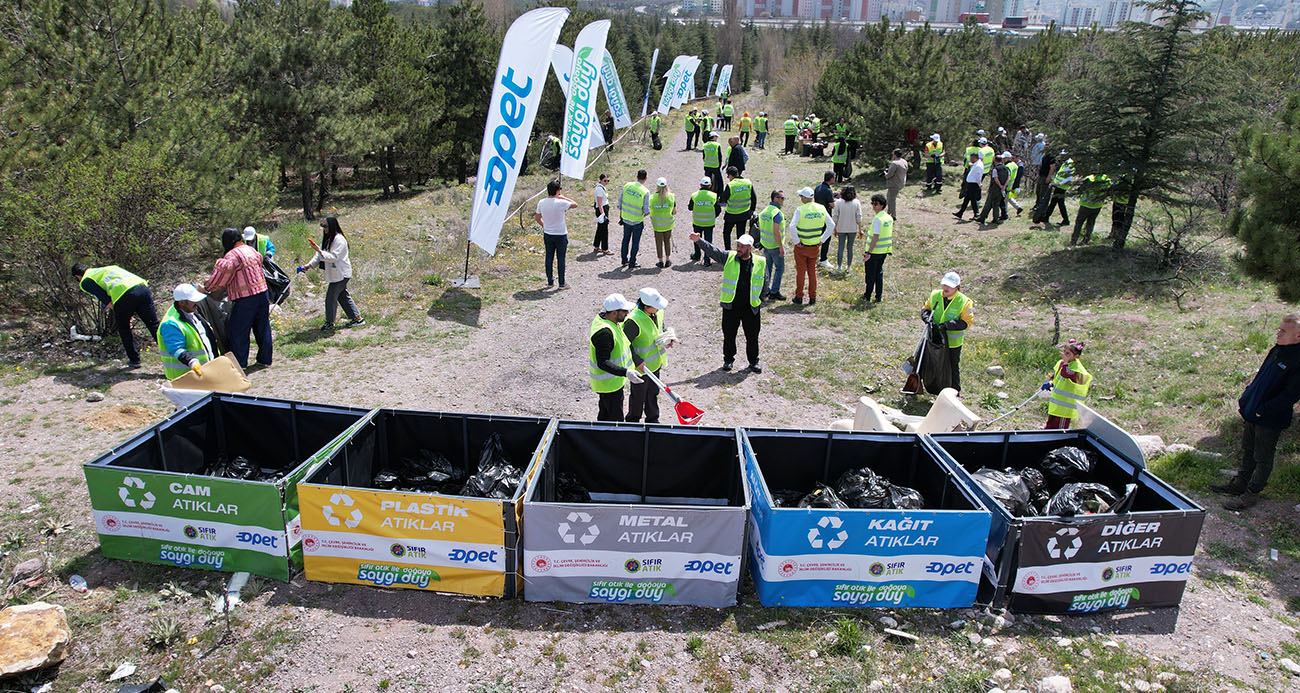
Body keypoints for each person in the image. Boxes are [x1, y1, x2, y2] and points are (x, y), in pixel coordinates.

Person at [1211, 315, 1300, 510]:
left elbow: (1290, 396)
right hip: (1254, 413)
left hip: (1270, 419)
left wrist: (1263, 411)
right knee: (1248, 450)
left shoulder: (1297, 361)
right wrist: (1247, 398)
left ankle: (1251, 494)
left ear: (1298, 337)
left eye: (1284, 331)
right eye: (1279, 329)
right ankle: (1239, 484)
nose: (1278, 333)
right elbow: (1261, 377)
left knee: (1263, 457)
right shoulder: (1277, 350)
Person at [688, 231, 766, 372]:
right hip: (731, 306)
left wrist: (761, 299)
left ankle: (754, 361)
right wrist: (699, 241)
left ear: (750, 248)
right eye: (738, 245)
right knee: (729, 335)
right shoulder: (729, 257)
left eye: (742, 246)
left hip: (751, 307)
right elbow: (713, 251)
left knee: (752, 336)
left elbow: (765, 282)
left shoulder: (760, 262)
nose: (739, 248)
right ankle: (728, 360)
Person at [72, 262, 160, 368]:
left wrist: (123, 311)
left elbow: (107, 301)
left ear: (77, 276)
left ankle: (134, 360)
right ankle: (174, 355)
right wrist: (127, 311)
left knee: (124, 328)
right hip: (142, 288)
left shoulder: (86, 280)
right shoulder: (106, 269)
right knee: (153, 325)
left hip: (123, 295)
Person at [207, 227, 272, 368]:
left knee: (238, 330)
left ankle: (240, 363)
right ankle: (265, 360)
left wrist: (206, 287)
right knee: (262, 327)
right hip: (262, 293)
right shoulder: (251, 250)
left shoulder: (232, 256)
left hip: (245, 298)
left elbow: (219, 279)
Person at [296, 215, 365, 332]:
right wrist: (308, 265)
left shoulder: (339, 239)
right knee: (343, 296)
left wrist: (319, 250)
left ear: (332, 225)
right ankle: (357, 318)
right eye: (322, 226)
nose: (324, 228)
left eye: (325, 226)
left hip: (342, 274)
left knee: (330, 298)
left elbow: (334, 257)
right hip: (335, 274)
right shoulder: (328, 239)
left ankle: (329, 322)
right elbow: (319, 256)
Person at [624, 288, 674, 423]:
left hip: (655, 364)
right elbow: (625, 345)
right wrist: (637, 361)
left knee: (653, 394)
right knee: (638, 397)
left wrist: (666, 338)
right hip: (640, 369)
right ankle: (632, 422)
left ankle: (653, 419)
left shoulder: (657, 312)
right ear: (646, 306)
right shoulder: (633, 321)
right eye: (656, 307)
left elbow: (659, 328)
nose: (659, 309)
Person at [589, 293, 641, 422]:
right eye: (624, 311)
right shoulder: (604, 333)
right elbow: (603, 362)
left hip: (612, 382)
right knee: (615, 420)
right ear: (613, 312)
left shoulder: (610, 321)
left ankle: (599, 438)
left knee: (605, 415)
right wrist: (626, 372)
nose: (627, 313)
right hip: (609, 385)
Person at [921, 272, 974, 393]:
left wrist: (947, 326)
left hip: (952, 343)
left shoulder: (964, 301)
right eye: (944, 285)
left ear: (956, 287)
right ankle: (928, 385)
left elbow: (966, 322)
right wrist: (926, 317)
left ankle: (955, 392)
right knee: (929, 362)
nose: (946, 288)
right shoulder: (935, 295)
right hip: (933, 338)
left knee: (952, 367)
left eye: (949, 286)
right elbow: (926, 308)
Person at [157, 283, 218, 380]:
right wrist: (192, 362)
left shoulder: (191, 312)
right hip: (185, 378)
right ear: (182, 303)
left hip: (202, 373)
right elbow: (176, 349)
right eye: (193, 301)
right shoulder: (170, 324)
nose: (197, 303)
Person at [787, 186, 834, 305]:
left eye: (801, 196)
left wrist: (797, 241)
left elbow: (792, 226)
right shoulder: (821, 208)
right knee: (812, 272)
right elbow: (831, 225)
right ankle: (812, 297)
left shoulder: (800, 209)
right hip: (814, 246)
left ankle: (799, 297)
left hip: (802, 247)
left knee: (801, 273)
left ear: (804, 197)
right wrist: (822, 240)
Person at [1038, 338, 1093, 430]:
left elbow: (1066, 374)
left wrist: (1066, 363)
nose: (1064, 355)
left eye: (1068, 353)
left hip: (1065, 407)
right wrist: (1051, 382)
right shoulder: (1061, 363)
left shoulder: (1076, 368)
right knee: (1051, 421)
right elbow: (1056, 375)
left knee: (1059, 427)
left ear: (1076, 356)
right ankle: (1047, 431)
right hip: (1056, 403)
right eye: (1064, 352)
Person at [533, 179, 577, 287]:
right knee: (561, 258)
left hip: (548, 233)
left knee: (549, 257)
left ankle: (550, 281)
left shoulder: (541, 202)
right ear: (557, 191)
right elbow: (575, 204)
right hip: (561, 233)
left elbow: (537, 218)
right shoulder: (561, 202)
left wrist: (545, 226)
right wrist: (563, 197)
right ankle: (562, 283)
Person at [755, 190, 786, 301]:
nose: (783, 200)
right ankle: (774, 291)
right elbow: (776, 231)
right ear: (775, 198)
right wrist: (781, 247)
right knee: (779, 269)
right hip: (775, 246)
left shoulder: (764, 212)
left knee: (767, 269)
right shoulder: (777, 213)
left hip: (765, 245)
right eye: (781, 198)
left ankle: (766, 289)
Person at [863, 193, 893, 303]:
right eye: (872, 203)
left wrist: (868, 252)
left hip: (874, 252)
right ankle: (878, 296)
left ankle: (867, 295)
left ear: (881, 205)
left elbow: (875, 236)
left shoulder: (878, 219)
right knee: (879, 274)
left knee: (870, 275)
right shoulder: (888, 218)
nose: (873, 206)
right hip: (884, 251)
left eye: (875, 204)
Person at [718, 165, 756, 251]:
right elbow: (754, 198)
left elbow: (723, 199)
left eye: (728, 176)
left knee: (726, 232)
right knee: (741, 234)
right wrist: (751, 210)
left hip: (731, 215)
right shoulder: (748, 182)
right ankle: (741, 251)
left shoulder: (731, 185)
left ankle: (728, 251)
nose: (728, 178)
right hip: (744, 214)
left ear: (731, 175)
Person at [619, 169, 651, 269]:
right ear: (646, 178)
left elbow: (620, 201)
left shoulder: (627, 185)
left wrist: (622, 214)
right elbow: (646, 210)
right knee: (635, 242)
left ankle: (624, 260)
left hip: (626, 219)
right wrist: (641, 215)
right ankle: (632, 262)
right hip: (637, 221)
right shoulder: (645, 192)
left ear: (636, 176)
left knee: (625, 240)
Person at [1070, 173, 1112, 246]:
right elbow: (1109, 192)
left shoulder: (1089, 179)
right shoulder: (1107, 180)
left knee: (1079, 223)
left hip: (1086, 205)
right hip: (1097, 206)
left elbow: (1081, 189)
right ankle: (1086, 240)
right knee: (1090, 223)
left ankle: (1073, 241)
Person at [688, 177, 721, 266]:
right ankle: (707, 260)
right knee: (708, 241)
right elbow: (718, 209)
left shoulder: (694, 195)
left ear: (701, 185)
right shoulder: (714, 196)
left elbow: (690, 207)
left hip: (697, 222)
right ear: (710, 185)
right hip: (709, 223)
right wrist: (714, 216)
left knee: (696, 239)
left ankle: (697, 255)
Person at [832, 185, 862, 274]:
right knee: (850, 247)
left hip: (841, 228)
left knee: (840, 247)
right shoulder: (856, 202)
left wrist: (835, 229)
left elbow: (835, 217)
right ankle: (848, 267)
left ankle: (839, 267)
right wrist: (860, 229)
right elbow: (859, 217)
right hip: (853, 228)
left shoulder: (838, 202)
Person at [648, 178, 676, 268]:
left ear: (657, 186)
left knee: (658, 242)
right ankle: (668, 260)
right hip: (668, 224)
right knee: (667, 241)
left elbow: (649, 209)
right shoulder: (671, 197)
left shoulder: (652, 198)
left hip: (657, 225)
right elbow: (674, 212)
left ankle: (660, 261)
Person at [976, 153, 1009, 224]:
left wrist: (1000, 186)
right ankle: (995, 219)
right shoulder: (1006, 169)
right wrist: (1004, 187)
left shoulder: (995, 169)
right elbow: (1008, 178)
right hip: (1002, 190)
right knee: (996, 205)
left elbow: (996, 179)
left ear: (995, 161)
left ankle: (982, 218)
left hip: (994, 189)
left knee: (988, 204)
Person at [1043, 151, 1074, 226]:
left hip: (1061, 186)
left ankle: (1047, 217)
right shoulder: (1066, 163)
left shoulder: (1069, 164)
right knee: (1058, 203)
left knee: (1054, 202)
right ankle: (1064, 220)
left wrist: (1059, 183)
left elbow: (1069, 177)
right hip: (1059, 186)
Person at [814, 171, 836, 268]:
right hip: (825, 216)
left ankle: (815, 255)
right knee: (826, 238)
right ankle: (823, 258)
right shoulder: (828, 191)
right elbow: (832, 205)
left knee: (817, 236)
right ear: (831, 179)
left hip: (817, 216)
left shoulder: (817, 187)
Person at [953, 152, 984, 220]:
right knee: (969, 199)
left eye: (971, 158)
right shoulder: (977, 163)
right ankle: (962, 213)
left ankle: (975, 213)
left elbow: (979, 177)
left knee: (971, 199)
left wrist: (979, 184)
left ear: (974, 158)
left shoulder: (978, 165)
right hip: (971, 184)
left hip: (974, 184)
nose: (970, 159)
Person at [884, 148, 909, 220]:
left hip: (894, 184)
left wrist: (885, 173)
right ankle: (889, 212)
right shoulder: (904, 161)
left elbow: (889, 175)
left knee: (891, 199)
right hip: (901, 182)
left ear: (895, 155)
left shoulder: (894, 163)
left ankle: (893, 215)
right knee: (889, 197)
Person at [593, 173, 611, 255]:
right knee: (604, 229)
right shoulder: (599, 189)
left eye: (608, 180)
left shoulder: (602, 188)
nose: (606, 182)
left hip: (603, 208)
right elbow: (599, 203)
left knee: (600, 228)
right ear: (600, 180)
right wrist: (603, 214)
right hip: (602, 209)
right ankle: (605, 248)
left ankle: (596, 245)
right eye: (605, 180)